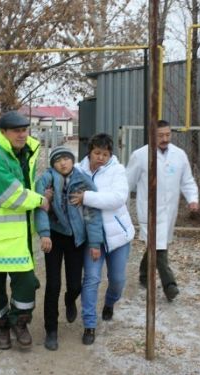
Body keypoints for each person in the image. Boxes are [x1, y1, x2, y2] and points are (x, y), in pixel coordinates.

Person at [0, 110, 50, 350]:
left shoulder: (26, 151)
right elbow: (11, 195)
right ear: (3, 132)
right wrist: (39, 200)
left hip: (19, 235)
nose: (22, 134)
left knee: (26, 283)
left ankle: (20, 322)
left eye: (25, 130)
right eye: (17, 130)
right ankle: (1, 328)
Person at [34, 145, 103, 351]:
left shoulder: (83, 180)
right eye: (58, 160)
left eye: (66, 158)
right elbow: (41, 207)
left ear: (72, 161)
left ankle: (70, 299)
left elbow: (92, 212)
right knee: (53, 284)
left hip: (76, 238)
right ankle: (51, 331)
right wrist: (45, 233)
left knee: (74, 284)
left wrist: (94, 243)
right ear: (53, 164)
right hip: (54, 238)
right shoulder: (46, 180)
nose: (63, 163)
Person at [70, 133, 135, 345]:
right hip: (92, 238)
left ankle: (110, 302)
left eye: (105, 154)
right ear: (89, 152)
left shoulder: (117, 170)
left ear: (110, 155)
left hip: (118, 236)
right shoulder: (78, 171)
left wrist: (87, 198)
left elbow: (118, 199)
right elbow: (70, 197)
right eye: (97, 153)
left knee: (117, 280)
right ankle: (89, 325)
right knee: (91, 279)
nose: (100, 158)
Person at [126, 119, 199, 302]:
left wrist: (192, 199)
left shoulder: (179, 155)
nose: (165, 138)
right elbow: (128, 183)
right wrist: (120, 206)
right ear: (152, 136)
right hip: (148, 211)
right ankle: (170, 285)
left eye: (167, 135)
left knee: (156, 245)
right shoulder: (140, 155)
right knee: (159, 248)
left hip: (169, 210)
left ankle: (144, 274)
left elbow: (187, 180)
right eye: (160, 135)